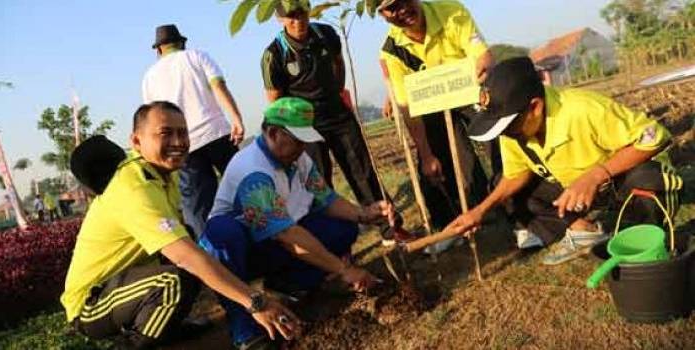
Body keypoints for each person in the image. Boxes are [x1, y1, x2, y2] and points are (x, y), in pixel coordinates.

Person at [60, 102, 299, 349]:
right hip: (91, 304)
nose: (178, 141)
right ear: (137, 141)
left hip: (128, 285)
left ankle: (168, 329)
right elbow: (184, 256)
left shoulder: (164, 172)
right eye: (166, 133)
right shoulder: (132, 187)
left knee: (194, 258)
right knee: (173, 280)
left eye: (183, 132)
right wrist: (255, 302)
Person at [445, 56, 682, 265]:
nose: (505, 133)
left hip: (621, 179)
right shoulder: (514, 130)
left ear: (535, 107)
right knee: (507, 193)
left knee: (648, 177)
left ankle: (643, 234)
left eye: (508, 126)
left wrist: (596, 175)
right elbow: (514, 175)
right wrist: (480, 210)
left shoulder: (583, 109)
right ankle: (584, 232)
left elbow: (654, 137)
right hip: (576, 190)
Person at [199, 97, 392, 349]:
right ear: (274, 133)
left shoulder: (298, 159)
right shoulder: (254, 172)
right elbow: (288, 237)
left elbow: (326, 200)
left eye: (304, 141)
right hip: (243, 250)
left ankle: (291, 286)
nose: (302, 147)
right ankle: (244, 329)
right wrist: (343, 269)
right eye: (297, 140)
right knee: (223, 233)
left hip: (274, 239)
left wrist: (363, 213)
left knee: (342, 227)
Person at [260, 1, 411, 246]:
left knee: (362, 170)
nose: (298, 22)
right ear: (280, 20)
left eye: (302, 14)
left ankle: (390, 227)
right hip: (305, 127)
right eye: (291, 17)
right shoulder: (274, 55)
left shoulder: (326, 34)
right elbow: (276, 103)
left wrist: (337, 92)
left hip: (338, 115)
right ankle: (338, 246)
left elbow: (338, 64)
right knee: (319, 184)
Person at [377, 0, 501, 253]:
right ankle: (450, 224)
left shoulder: (451, 12)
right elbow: (407, 107)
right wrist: (425, 154)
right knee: (438, 161)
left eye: (403, 2)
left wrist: (484, 67)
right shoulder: (391, 50)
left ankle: (520, 215)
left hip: (471, 88)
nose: (401, 11)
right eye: (391, 8)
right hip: (431, 103)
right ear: (382, 14)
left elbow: (481, 53)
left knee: (498, 142)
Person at [142, 24, 246, 238]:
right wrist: (236, 118)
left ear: (158, 50)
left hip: (183, 145)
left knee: (198, 206)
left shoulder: (149, 77)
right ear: (181, 43)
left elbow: (153, 120)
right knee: (246, 189)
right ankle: (266, 236)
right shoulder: (197, 56)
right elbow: (218, 86)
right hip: (216, 133)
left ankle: (211, 254)